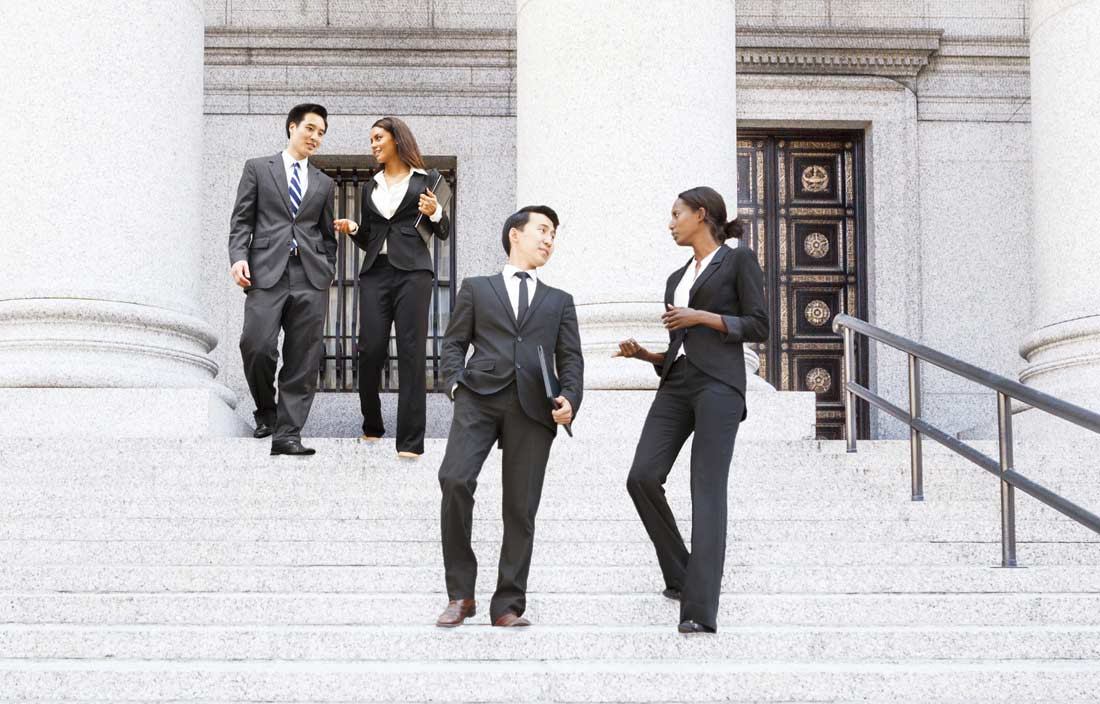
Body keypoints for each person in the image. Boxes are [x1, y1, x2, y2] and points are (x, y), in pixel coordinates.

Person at [614, 187, 768, 633]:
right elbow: (678, 347)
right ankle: (681, 574)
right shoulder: (675, 279)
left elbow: (759, 325)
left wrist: (701, 317)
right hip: (676, 384)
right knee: (641, 476)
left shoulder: (738, 260)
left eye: (676, 214)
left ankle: (699, 611)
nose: (670, 223)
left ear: (701, 215)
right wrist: (646, 356)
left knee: (706, 489)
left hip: (720, 386)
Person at [433, 206, 583, 628]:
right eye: (542, 230)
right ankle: (461, 595)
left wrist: (571, 398)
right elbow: (454, 342)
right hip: (478, 398)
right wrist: (456, 384)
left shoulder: (560, 301)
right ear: (515, 234)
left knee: (520, 508)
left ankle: (508, 604)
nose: (549, 239)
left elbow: (571, 359)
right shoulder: (477, 288)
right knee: (455, 480)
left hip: (535, 408)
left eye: (554, 234)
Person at [333, 117, 450, 458]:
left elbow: (441, 231)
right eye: (370, 139)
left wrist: (434, 211)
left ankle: (410, 442)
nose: (372, 144)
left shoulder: (426, 180)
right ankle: (372, 424)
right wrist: (355, 228)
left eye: (378, 137)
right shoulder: (370, 186)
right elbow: (371, 236)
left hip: (413, 273)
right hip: (376, 274)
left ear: (397, 140)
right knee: (369, 350)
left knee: (412, 354)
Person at [228, 103, 337, 456]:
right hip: (266, 271)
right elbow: (242, 220)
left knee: (303, 356)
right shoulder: (258, 168)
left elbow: (326, 234)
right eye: (311, 129)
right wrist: (239, 258)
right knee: (256, 344)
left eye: (321, 133)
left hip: (310, 275)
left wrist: (328, 268)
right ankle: (267, 411)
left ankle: (288, 434)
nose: (315, 138)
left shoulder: (324, 182)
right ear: (292, 127)